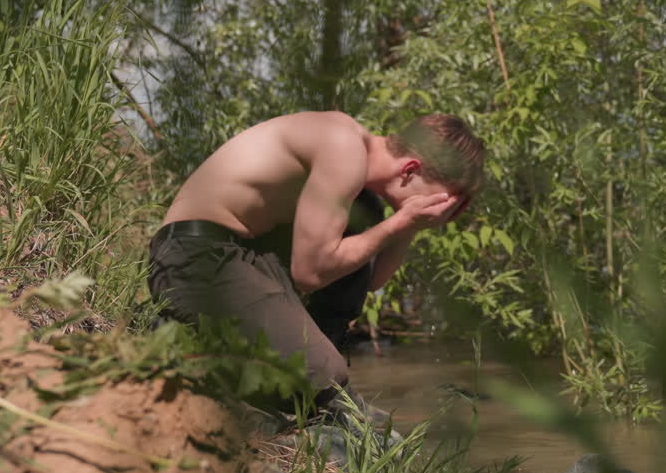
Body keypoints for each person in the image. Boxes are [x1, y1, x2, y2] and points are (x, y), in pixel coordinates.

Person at [146, 111, 484, 425]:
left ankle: (324, 384)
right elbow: (311, 273)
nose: (440, 213)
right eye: (441, 200)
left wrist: (410, 224)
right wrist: (401, 222)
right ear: (410, 170)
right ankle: (176, 337)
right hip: (193, 256)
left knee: (362, 220)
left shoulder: (360, 180)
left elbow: (371, 280)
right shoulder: (344, 147)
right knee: (321, 374)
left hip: (243, 256)